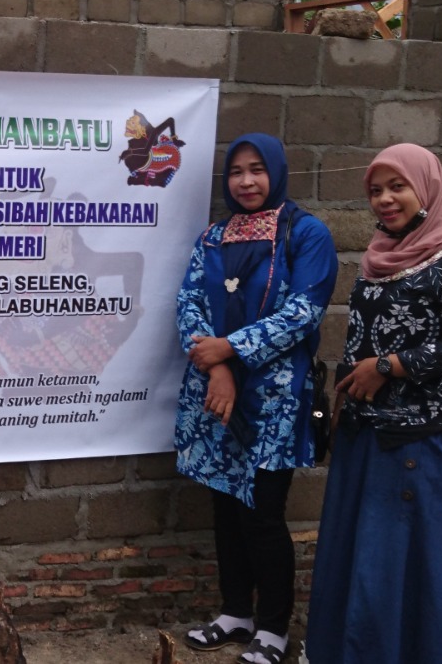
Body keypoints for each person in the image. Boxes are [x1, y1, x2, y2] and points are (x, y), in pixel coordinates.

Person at [304, 143, 442, 664]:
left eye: (398, 187)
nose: (385, 199)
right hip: (367, 438)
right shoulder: (381, 255)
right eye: (376, 190)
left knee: (418, 568)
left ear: (427, 188)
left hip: (426, 441)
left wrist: (389, 367)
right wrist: (345, 401)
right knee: (367, 564)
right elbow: (361, 340)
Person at [174, 133, 338, 664]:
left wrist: (230, 348)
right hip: (214, 393)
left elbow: (303, 312)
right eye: (237, 171)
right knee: (225, 504)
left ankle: (273, 629)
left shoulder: (305, 233)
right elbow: (189, 304)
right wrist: (218, 367)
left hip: (273, 400)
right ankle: (235, 613)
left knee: (262, 512)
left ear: (277, 172)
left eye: (257, 170)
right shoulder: (214, 237)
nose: (246, 181)